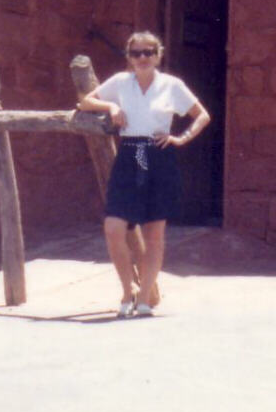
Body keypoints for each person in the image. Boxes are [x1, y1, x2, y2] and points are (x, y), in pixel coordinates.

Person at [77, 30, 211, 318]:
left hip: (158, 155)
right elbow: (85, 101)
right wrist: (111, 105)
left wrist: (182, 137)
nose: (142, 58)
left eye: (148, 52)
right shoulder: (121, 83)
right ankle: (128, 291)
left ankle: (146, 299)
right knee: (114, 228)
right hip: (130, 154)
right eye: (136, 53)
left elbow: (202, 115)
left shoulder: (172, 85)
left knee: (154, 234)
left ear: (158, 55)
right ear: (129, 57)